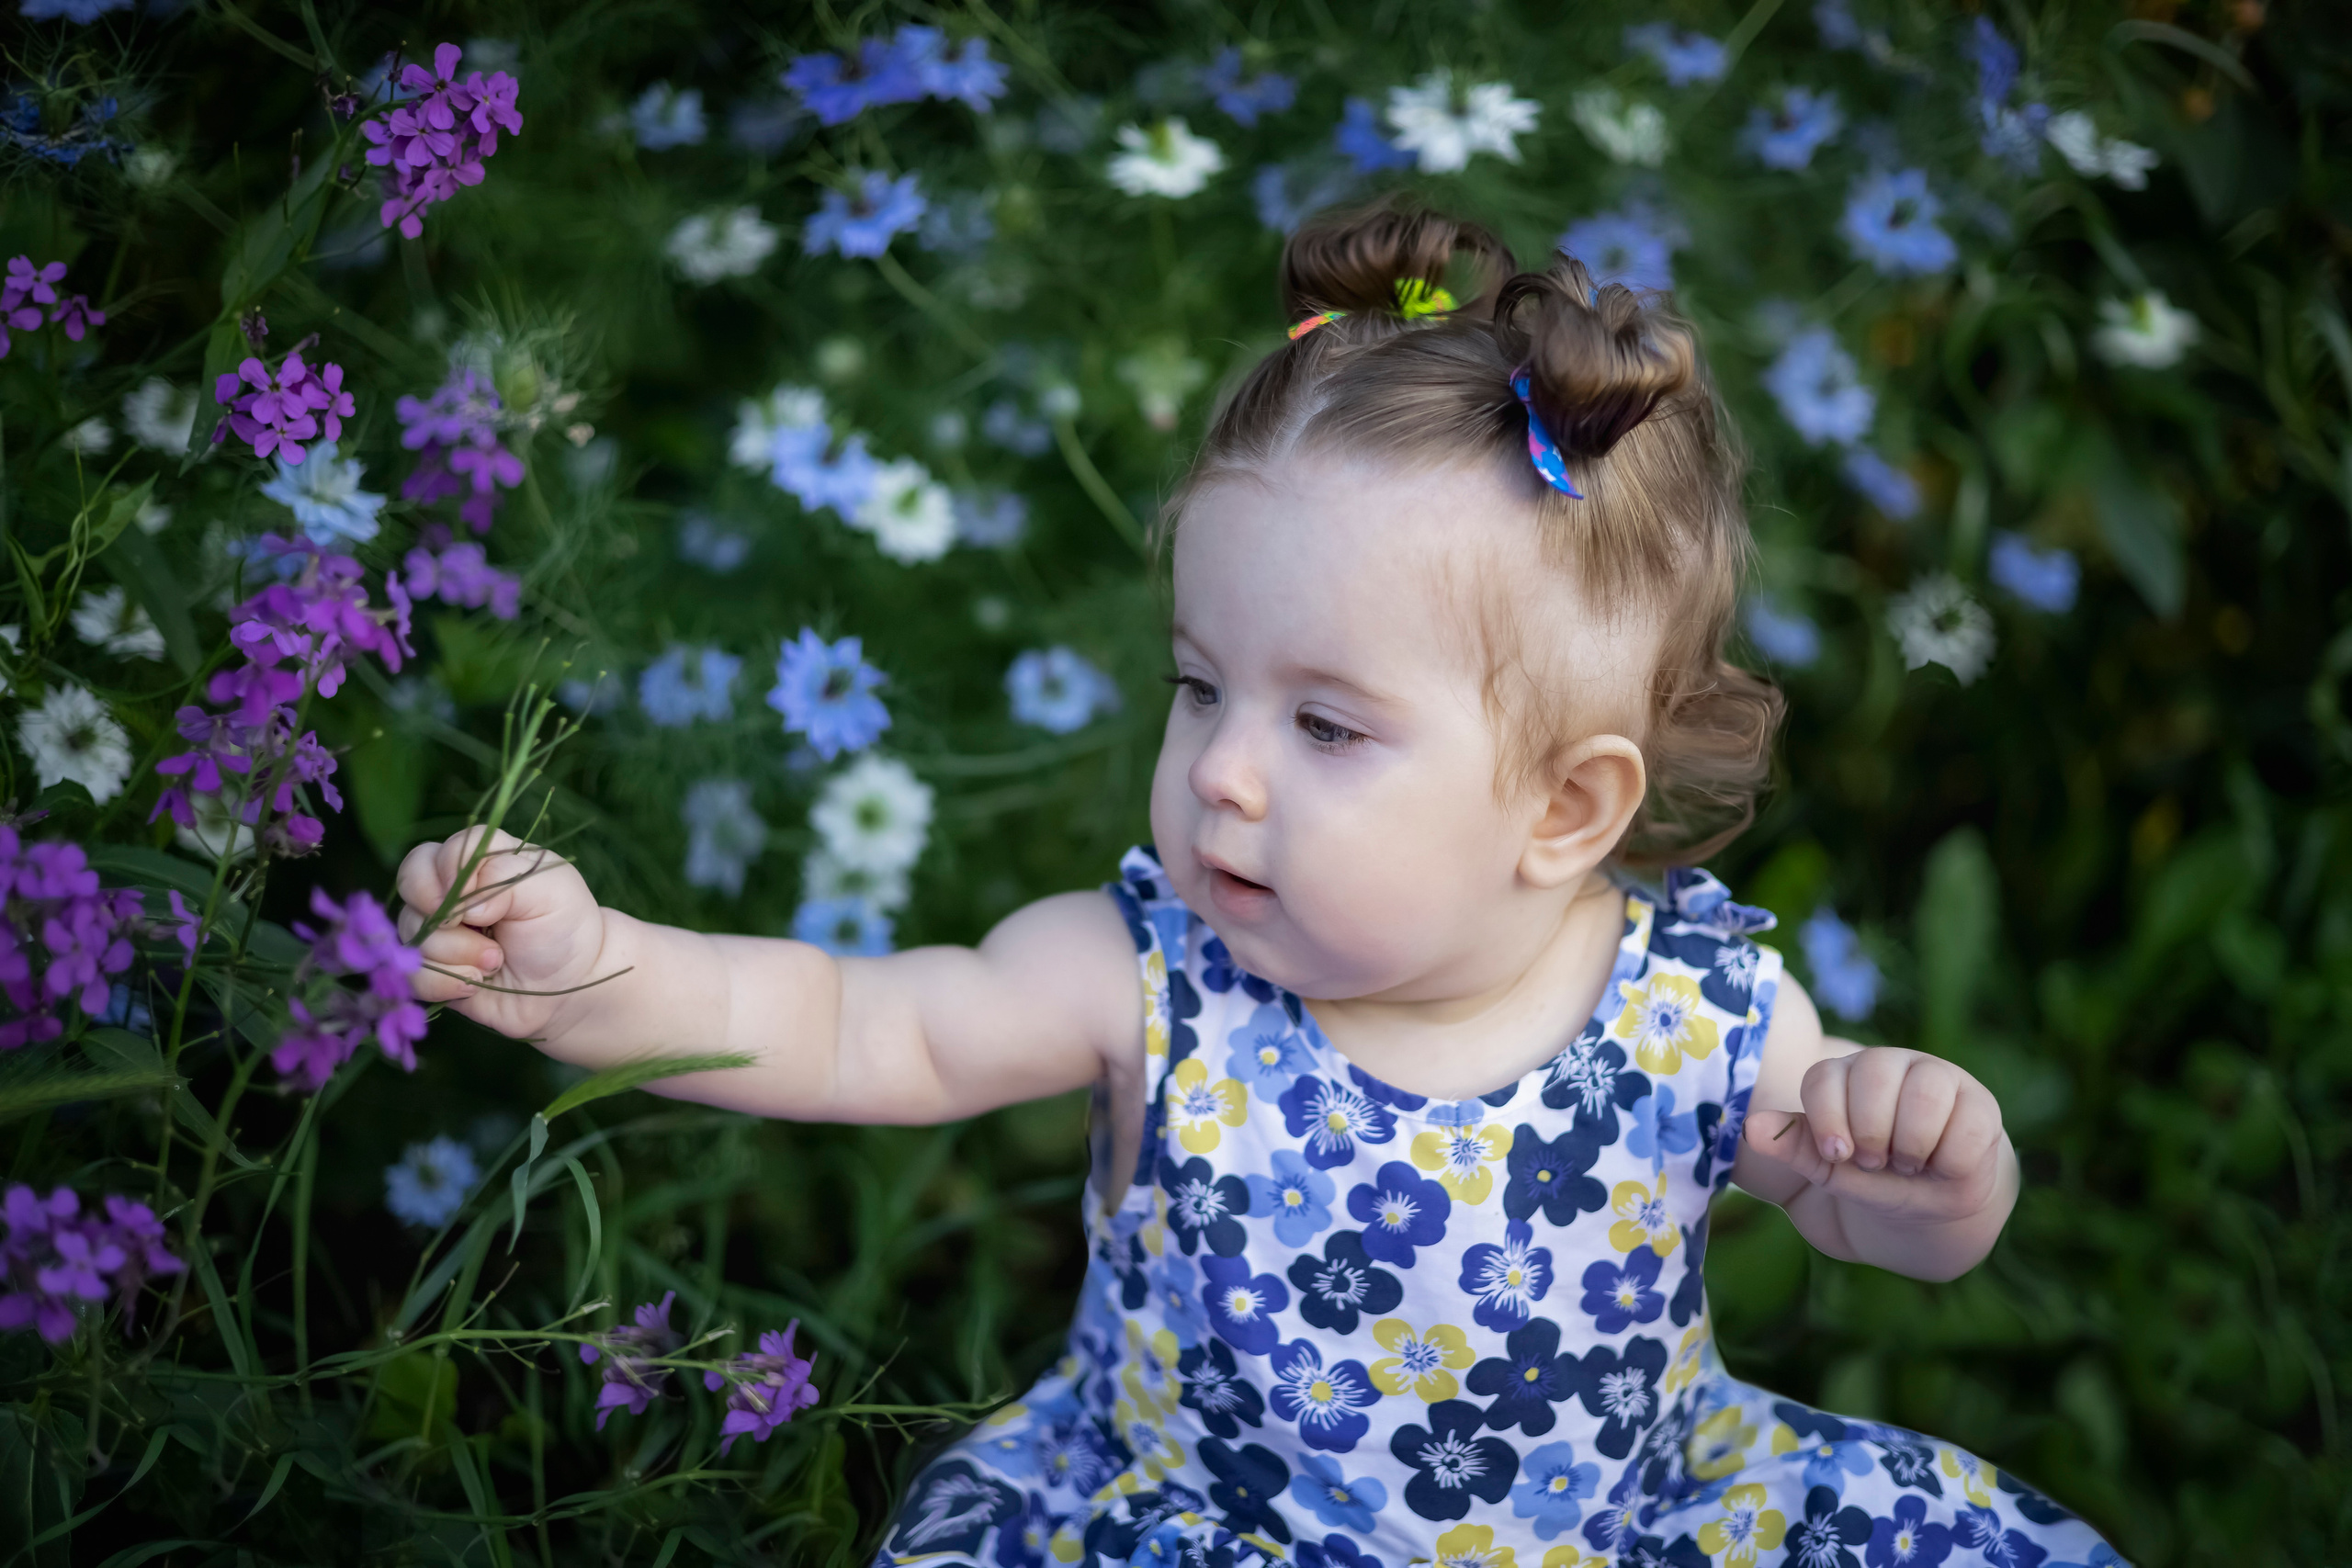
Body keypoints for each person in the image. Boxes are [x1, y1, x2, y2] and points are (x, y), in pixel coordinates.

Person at [398, 206, 2123, 1568]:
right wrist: (590, 964)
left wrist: (1925, 1172)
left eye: (1326, 724)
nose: (1222, 768)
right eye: (1201, 684)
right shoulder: (1146, 976)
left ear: (1564, 808)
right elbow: (857, 1025)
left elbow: (1868, 1223)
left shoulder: (1707, 1015)